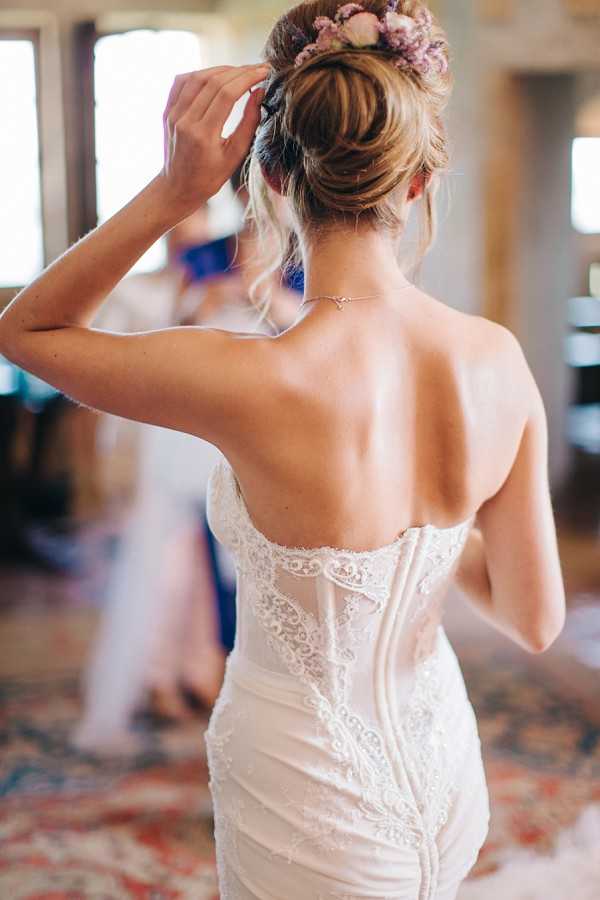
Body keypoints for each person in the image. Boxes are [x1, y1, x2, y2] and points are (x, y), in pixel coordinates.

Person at [0, 1, 567, 896]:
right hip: (445, 773)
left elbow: (27, 331)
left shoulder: (249, 378)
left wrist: (175, 190)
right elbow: (536, 621)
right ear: (417, 182)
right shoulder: (496, 359)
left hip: (309, 800)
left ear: (269, 178)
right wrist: (428, 541)